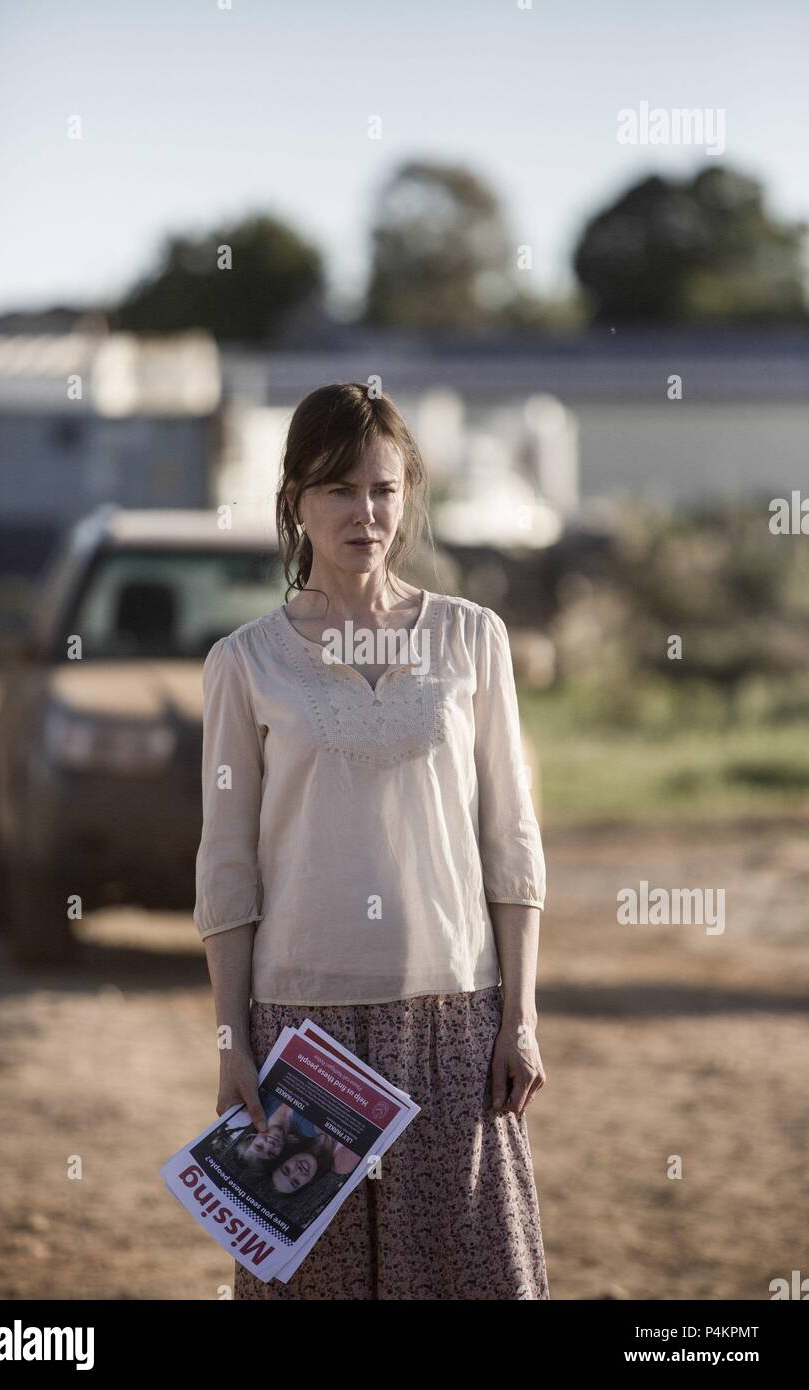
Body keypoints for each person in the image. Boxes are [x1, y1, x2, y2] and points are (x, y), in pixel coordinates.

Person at [195, 382, 549, 1300]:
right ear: (295, 503)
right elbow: (227, 868)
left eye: (384, 490)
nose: (366, 513)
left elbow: (510, 838)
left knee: (467, 1279)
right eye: (339, 490)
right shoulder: (244, 663)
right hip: (302, 1032)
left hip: (455, 1018)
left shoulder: (474, 641)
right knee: (312, 1286)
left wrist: (521, 1016)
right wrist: (233, 1040)